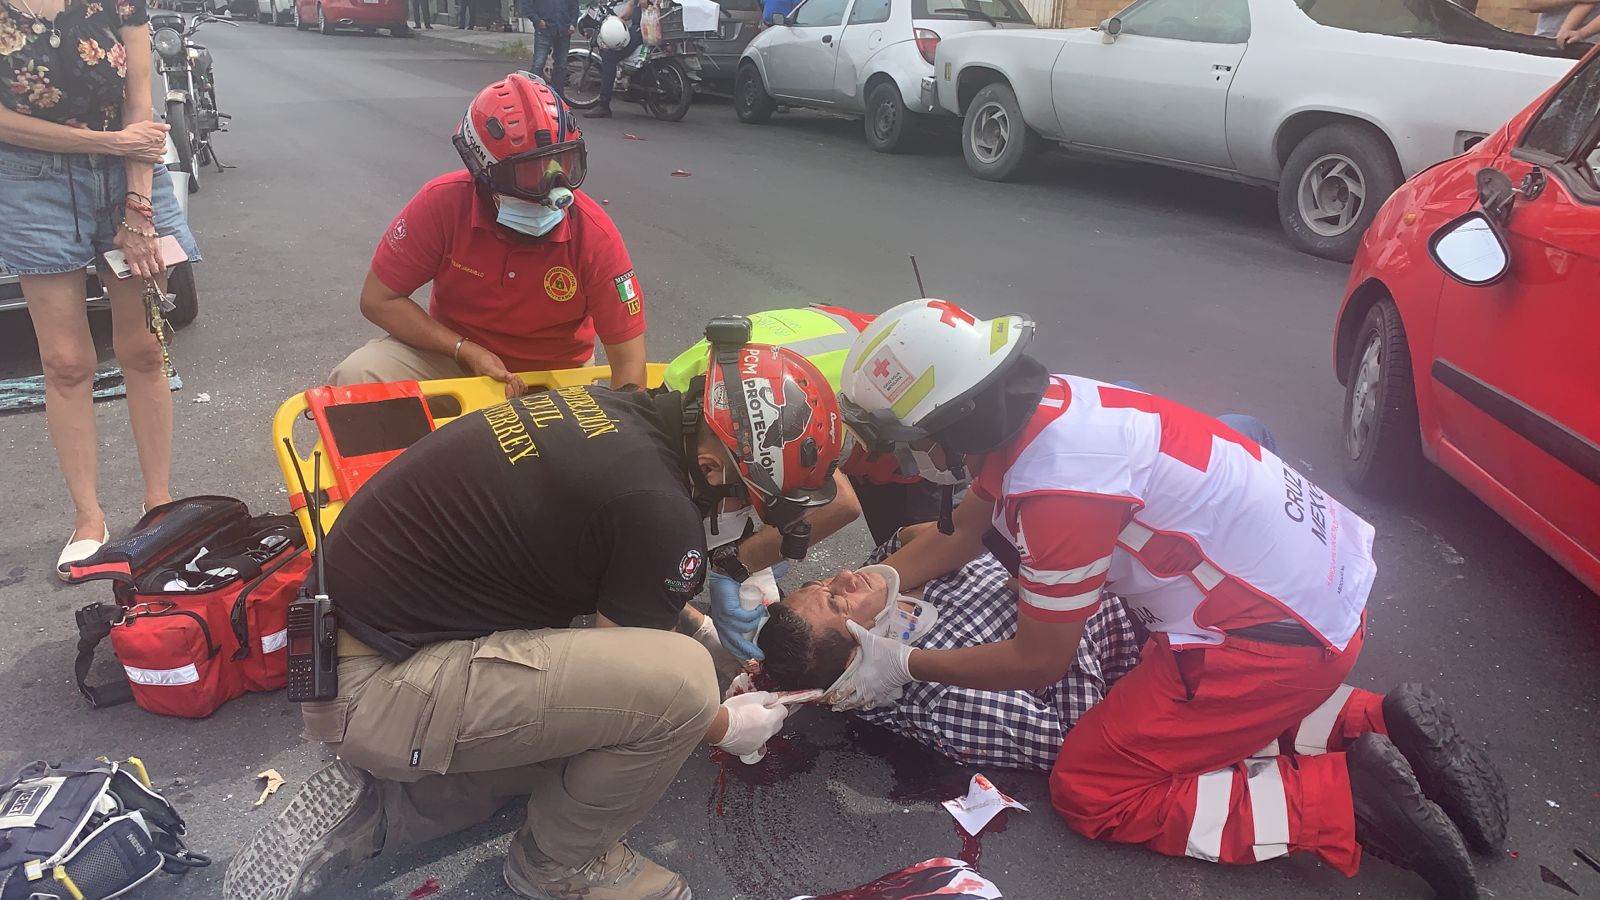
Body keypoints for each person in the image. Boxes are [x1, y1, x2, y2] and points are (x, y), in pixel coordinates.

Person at [826, 299, 1510, 896]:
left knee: (1092, 786)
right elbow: (965, 529)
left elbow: (1037, 662)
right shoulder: (1052, 407)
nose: (914, 458)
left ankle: (1341, 802)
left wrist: (906, 665)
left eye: (916, 440)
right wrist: (889, 580)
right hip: (1313, 591)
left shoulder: (1060, 493)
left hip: (1278, 639)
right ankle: (1380, 723)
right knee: (1173, 716)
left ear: (951, 421)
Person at [223, 333, 846, 900]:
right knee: (675, 693)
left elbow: (606, 574)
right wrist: (721, 723)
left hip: (346, 646)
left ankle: (399, 805)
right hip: (374, 691)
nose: (744, 514)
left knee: (601, 705)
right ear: (713, 468)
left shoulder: (622, 419)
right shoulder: (659, 509)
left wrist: (697, 623)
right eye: (748, 500)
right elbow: (632, 689)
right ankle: (559, 865)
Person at [0, 0, 200, 577]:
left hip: (130, 174)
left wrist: (139, 206)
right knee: (65, 361)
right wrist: (112, 144)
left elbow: (141, 100)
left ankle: (159, 503)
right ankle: (89, 519)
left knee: (142, 346)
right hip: (28, 182)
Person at [330, 73, 647, 394]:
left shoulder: (594, 235)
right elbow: (378, 299)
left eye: (563, 164)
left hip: (552, 377)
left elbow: (629, 362)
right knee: (360, 377)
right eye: (530, 173)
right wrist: (463, 349)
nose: (554, 187)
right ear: (483, 171)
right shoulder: (442, 204)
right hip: (454, 362)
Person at [662, 305, 935, 660]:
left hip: (902, 421)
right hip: (867, 365)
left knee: (918, 568)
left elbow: (839, 504)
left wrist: (738, 564)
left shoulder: (758, 411)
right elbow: (726, 491)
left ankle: (893, 662)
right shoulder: (709, 393)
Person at [757, 526, 1144, 771]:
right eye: (839, 603)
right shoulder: (946, 701)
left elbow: (919, 534)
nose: (845, 576)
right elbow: (1074, 741)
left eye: (825, 584)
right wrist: (1054, 608)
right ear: (856, 658)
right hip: (1139, 622)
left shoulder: (878, 586)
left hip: (1094, 553)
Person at [586, 0, 642, 119]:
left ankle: (603, 105)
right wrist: (619, 18)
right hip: (640, 29)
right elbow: (631, 5)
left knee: (609, 58)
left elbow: (643, 4)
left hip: (643, 29)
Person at [528, 0, 577, 96]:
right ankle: (531, 96)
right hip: (544, 29)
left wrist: (573, 23)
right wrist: (536, 20)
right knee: (538, 64)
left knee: (561, 65)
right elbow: (525, 4)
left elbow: (574, 4)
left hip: (564, 29)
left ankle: (557, 98)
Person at [1523, 0, 1598, 38]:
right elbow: (1533, 5)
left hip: (1588, 48)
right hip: (1546, 37)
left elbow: (1586, 5)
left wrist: (1581, 33)